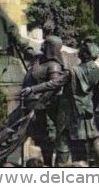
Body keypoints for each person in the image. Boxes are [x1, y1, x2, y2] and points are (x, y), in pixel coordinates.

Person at [20, 35, 70, 167]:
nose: (42, 45)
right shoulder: (38, 60)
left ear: (51, 48)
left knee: (46, 139)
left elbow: (54, 86)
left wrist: (40, 101)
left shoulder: (54, 66)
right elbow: (28, 52)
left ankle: (48, 166)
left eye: (45, 44)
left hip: (43, 108)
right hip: (28, 106)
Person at [67, 42, 99, 167]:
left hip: (75, 110)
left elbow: (56, 85)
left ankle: (80, 166)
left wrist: (34, 89)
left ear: (86, 54)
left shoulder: (73, 71)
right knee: (93, 137)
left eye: (81, 51)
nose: (78, 53)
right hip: (89, 110)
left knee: (77, 138)